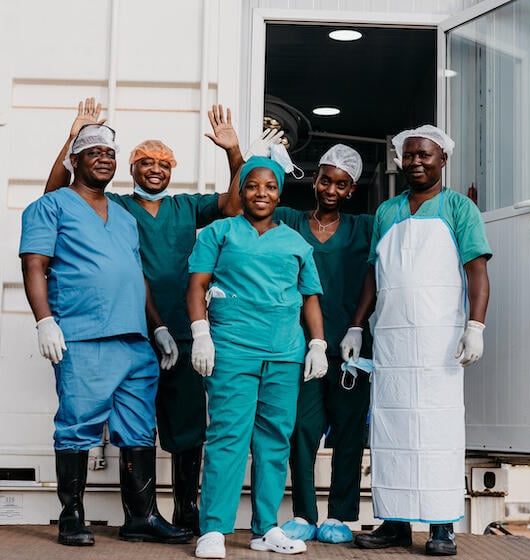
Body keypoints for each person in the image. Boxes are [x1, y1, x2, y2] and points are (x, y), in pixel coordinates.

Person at [43, 99, 255, 535]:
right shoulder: (113, 206)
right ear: (131, 169)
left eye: (164, 163)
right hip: (130, 333)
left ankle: (186, 509)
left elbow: (236, 204)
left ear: (172, 171)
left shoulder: (185, 207)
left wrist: (234, 152)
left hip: (182, 330)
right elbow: (55, 198)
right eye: (145, 162)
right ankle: (139, 515)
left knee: (187, 424)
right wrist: (72, 139)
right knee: (135, 423)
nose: (155, 169)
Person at [20, 123, 189, 546]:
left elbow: (138, 276)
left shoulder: (125, 217)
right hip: (84, 335)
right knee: (78, 426)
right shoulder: (50, 206)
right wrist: (44, 320)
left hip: (135, 342)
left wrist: (159, 326)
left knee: (138, 430)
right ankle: (72, 517)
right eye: (93, 151)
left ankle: (141, 517)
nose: (104, 158)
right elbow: (34, 265)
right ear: (73, 161)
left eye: (110, 154)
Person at [344, 125, 492, 556]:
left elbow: (477, 272)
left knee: (437, 429)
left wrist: (476, 326)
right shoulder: (387, 212)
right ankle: (394, 523)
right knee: (391, 430)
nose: (415, 162)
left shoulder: (459, 209)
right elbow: (374, 273)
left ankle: (442, 526)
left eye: (425, 155)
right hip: (391, 340)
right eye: (409, 156)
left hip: (439, 342)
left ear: (442, 159)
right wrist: (357, 325)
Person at [186, 156, 328, 558]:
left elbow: (309, 297)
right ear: (241, 191)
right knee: (228, 436)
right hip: (232, 349)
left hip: (284, 352)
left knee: (274, 440)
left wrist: (317, 343)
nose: (260, 193)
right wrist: (201, 334)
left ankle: (266, 527)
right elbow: (196, 285)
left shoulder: (296, 243)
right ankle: (213, 528)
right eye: (252, 185)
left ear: (279, 193)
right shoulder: (219, 232)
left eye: (269, 187)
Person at [273, 144, 374, 545]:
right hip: (301, 349)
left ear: (351, 189)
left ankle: (340, 515)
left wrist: (358, 326)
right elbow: (248, 198)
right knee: (302, 428)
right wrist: (265, 165)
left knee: (349, 432)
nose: (332, 189)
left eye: (342, 184)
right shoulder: (289, 220)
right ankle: (303, 513)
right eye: (326, 180)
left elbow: (387, 263)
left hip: (352, 349)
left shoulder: (364, 227)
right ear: (314, 181)